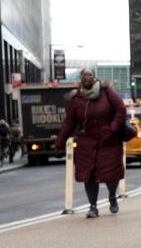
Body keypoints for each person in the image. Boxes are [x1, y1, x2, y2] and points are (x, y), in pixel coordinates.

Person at [54, 67, 127, 218]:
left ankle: (112, 196)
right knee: (89, 176)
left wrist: (112, 128)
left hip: (108, 141)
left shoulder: (106, 91)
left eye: (90, 75)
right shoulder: (76, 99)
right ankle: (93, 207)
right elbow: (69, 122)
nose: (87, 77)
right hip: (87, 142)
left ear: (94, 77)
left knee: (111, 175)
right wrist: (60, 142)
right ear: (81, 78)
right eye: (84, 75)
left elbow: (120, 110)